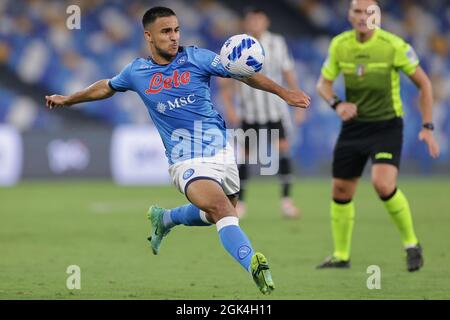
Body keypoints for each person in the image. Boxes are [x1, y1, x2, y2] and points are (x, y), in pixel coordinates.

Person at [45, 7, 311, 294]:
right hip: (185, 160)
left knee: (217, 214)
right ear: (149, 35)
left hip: (221, 152)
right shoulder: (137, 71)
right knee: (222, 210)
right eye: (165, 32)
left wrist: (285, 93)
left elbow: (243, 74)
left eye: (176, 30)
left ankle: (166, 218)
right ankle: (254, 265)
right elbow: (106, 87)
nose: (174, 37)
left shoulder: (198, 57)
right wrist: (69, 99)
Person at [315, 0, 440, 272]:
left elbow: (425, 84)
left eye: (369, 12)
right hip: (354, 126)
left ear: (378, 17)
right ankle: (340, 255)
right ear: (349, 16)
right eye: (358, 11)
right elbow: (323, 84)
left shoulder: (393, 46)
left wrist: (427, 127)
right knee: (340, 190)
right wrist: (338, 104)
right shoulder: (340, 45)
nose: (363, 17)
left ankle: (411, 244)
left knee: (382, 184)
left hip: (386, 125)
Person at [219, 8, 304, 219]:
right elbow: (227, 78)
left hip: (275, 110)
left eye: (259, 19)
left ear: (265, 21)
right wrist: (229, 106)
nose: (255, 23)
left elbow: (287, 72)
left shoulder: (278, 43)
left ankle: (286, 201)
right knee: (245, 157)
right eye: (252, 19)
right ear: (247, 22)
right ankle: (240, 203)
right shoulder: (239, 43)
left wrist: (296, 98)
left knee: (283, 151)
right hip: (249, 111)